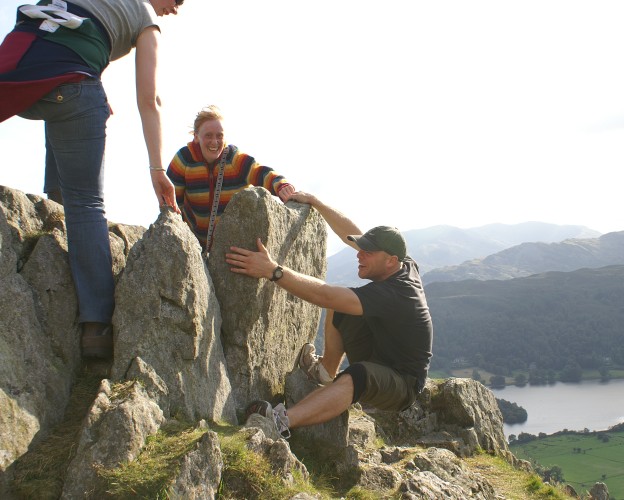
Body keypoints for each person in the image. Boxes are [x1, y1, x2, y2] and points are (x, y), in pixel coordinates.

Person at [0, 0, 184, 358]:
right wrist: (157, 168)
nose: (175, 9)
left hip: (20, 69)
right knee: (86, 202)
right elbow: (150, 99)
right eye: (176, 0)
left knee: (70, 102)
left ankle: (54, 210)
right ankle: (96, 327)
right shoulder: (145, 18)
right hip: (69, 88)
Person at [225, 192, 433, 439]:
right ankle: (325, 371)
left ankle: (281, 421)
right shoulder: (401, 263)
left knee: (357, 374)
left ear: (390, 261)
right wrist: (317, 202)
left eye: (367, 252)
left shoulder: (397, 293)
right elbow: (353, 234)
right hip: (379, 351)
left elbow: (325, 297)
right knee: (343, 302)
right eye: (362, 248)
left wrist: (273, 271)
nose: (359, 254)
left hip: (402, 383)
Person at [166, 105, 296, 253]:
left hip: (231, 247)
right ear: (196, 136)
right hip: (194, 247)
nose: (215, 142)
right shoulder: (184, 160)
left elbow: (259, 172)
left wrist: (280, 185)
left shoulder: (233, 158)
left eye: (219, 136)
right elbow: (171, 201)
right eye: (208, 135)